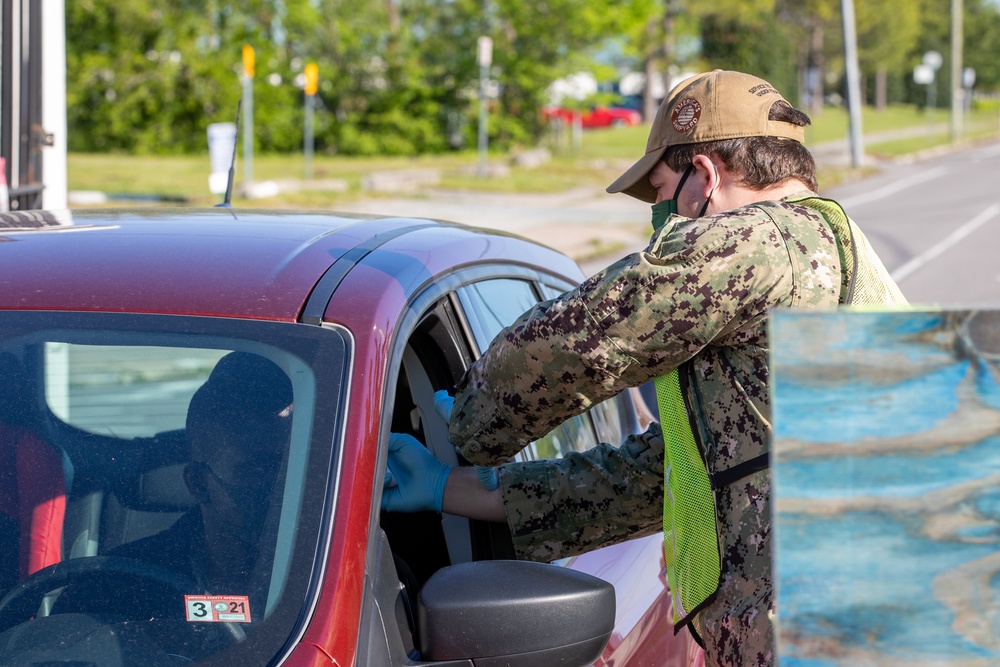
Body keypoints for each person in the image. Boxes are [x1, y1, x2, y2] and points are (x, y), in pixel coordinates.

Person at [383, 70, 906, 667]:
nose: (660, 216)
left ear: (704, 177)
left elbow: (580, 338)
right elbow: (666, 479)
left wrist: (465, 429)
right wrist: (453, 488)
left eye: (661, 191)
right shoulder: (840, 256)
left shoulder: (759, 243)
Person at [113, 351, 293, 602]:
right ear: (198, 483)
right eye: (258, 470)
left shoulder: (335, 574)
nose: (282, 485)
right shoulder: (121, 587)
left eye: (291, 466)